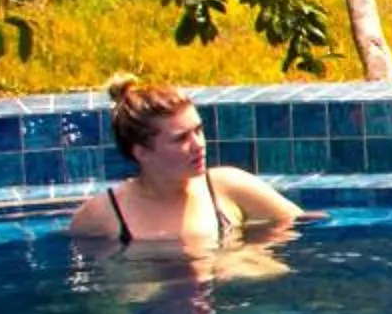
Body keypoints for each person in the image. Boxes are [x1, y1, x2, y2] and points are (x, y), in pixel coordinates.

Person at [67, 75, 306, 250]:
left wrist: (245, 255)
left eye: (199, 130)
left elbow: (305, 229)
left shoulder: (228, 187)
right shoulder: (102, 215)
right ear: (142, 153)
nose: (199, 144)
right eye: (181, 138)